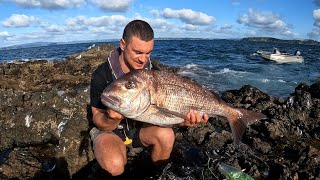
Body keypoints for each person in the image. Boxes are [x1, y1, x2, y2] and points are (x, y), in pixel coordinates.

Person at [89, 19, 208, 177]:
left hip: (140, 130)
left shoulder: (154, 75)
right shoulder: (101, 74)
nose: (143, 59)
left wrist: (183, 121)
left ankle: (152, 174)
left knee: (166, 136)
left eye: (148, 53)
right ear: (123, 44)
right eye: (137, 52)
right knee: (114, 164)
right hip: (111, 132)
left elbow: (162, 115)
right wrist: (111, 119)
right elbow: (97, 118)